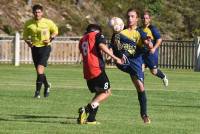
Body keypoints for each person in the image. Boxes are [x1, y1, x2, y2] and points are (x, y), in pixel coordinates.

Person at [110, 8, 153, 124]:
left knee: (140, 88)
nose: (130, 18)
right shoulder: (120, 32)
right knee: (140, 85)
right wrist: (115, 54)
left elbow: (147, 43)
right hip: (125, 62)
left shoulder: (139, 32)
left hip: (136, 62)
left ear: (137, 19)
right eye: (128, 16)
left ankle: (144, 114)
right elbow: (114, 45)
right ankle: (144, 115)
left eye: (132, 16)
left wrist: (148, 43)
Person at [77, 24, 123, 125]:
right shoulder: (96, 35)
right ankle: (86, 109)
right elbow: (101, 45)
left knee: (99, 93)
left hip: (87, 70)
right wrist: (115, 57)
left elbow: (88, 52)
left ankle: (91, 119)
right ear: (96, 31)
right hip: (96, 68)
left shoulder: (82, 39)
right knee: (107, 92)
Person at [23, 4, 58, 98]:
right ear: (32, 13)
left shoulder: (48, 22)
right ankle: (47, 85)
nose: (37, 14)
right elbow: (25, 36)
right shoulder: (28, 23)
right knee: (39, 72)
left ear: (42, 13)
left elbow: (55, 31)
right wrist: (28, 42)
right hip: (34, 48)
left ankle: (37, 93)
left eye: (39, 12)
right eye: (35, 12)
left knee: (39, 69)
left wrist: (50, 39)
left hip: (45, 47)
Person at [141, 10, 168, 86]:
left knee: (154, 72)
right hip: (142, 53)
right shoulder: (139, 29)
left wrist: (154, 48)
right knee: (140, 69)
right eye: (143, 18)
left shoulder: (152, 28)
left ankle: (163, 76)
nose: (145, 19)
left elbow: (159, 39)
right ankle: (141, 87)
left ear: (149, 19)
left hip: (151, 54)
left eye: (146, 18)